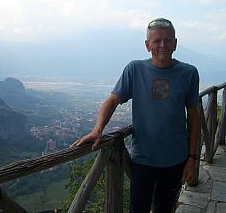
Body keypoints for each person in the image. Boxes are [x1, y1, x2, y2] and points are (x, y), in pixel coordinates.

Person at [71, 18, 200, 213]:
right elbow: (112, 100)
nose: (162, 45)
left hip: (176, 159)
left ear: (175, 43)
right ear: (147, 45)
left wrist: (192, 158)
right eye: (156, 41)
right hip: (143, 160)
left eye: (167, 40)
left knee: (165, 208)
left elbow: (193, 116)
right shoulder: (135, 69)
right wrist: (98, 130)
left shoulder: (189, 73)